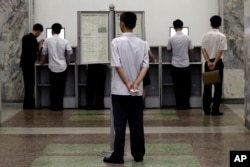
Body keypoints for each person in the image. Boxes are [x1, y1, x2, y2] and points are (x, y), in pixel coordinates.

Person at [103, 12, 149, 164]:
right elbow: (145, 66)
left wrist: (128, 83)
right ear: (135, 24)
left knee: (120, 124)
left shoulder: (116, 42)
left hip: (120, 91)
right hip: (136, 92)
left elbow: (117, 65)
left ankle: (118, 155)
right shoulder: (143, 44)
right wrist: (136, 83)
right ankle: (138, 154)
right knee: (137, 123)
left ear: (122, 23)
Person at [39, 23, 73, 111]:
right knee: (61, 88)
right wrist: (67, 62)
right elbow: (69, 53)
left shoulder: (47, 40)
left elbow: (44, 53)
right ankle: (59, 106)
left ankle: (53, 106)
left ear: (52, 31)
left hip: (52, 67)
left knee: (53, 88)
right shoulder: (65, 41)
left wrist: (42, 62)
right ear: (60, 31)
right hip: (62, 67)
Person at [201, 15, 227, 116]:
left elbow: (203, 50)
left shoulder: (205, 36)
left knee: (207, 86)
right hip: (218, 63)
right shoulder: (222, 36)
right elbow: (220, 51)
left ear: (210, 24)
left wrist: (208, 62)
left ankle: (206, 109)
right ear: (220, 24)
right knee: (218, 87)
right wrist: (215, 63)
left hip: (208, 63)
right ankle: (215, 109)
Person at [167, 19, 194, 110]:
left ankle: (179, 105)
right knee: (186, 86)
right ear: (182, 27)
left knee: (177, 86)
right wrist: (187, 56)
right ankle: (186, 105)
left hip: (175, 65)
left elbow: (168, 49)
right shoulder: (188, 38)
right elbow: (191, 50)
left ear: (174, 27)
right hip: (186, 64)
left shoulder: (171, 38)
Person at [20, 23, 44, 109]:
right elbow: (36, 52)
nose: (39, 35)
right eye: (40, 33)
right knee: (30, 84)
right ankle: (29, 105)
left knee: (27, 84)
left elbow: (28, 49)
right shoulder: (33, 39)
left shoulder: (26, 37)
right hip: (29, 64)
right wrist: (40, 45)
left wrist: (36, 44)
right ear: (38, 31)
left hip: (24, 64)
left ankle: (27, 104)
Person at [143, 42, 158, 107]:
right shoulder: (145, 43)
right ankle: (141, 104)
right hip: (143, 68)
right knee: (143, 87)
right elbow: (151, 55)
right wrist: (154, 60)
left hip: (132, 68)